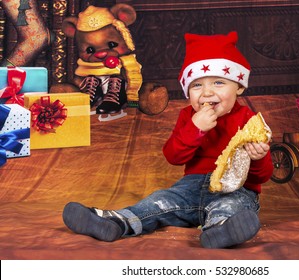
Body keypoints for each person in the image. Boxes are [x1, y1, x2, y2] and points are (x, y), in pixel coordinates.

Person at [62, 31, 274, 249]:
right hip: (190, 189)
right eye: (197, 85)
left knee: (232, 206)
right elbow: (173, 156)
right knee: (159, 201)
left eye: (219, 82)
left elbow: (262, 176)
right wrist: (195, 129)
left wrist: (259, 156)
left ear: (239, 86)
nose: (207, 93)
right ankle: (115, 221)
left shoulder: (249, 120)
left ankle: (221, 230)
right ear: (187, 90)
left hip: (235, 189)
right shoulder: (188, 117)